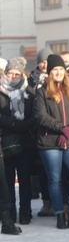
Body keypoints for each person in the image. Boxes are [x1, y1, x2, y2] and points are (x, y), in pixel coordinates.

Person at [32, 54, 69, 229]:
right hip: (50, 142)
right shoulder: (42, 92)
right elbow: (40, 116)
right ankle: (59, 214)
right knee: (55, 179)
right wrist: (61, 128)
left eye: (61, 69)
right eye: (55, 70)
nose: (58, 72)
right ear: (50, 73)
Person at [0, 57, 35, 226]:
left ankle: (25, 212)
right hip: (5, 143)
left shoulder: (30, 91)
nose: (13, 77)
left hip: (26, 142)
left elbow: (36, 113)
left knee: (25, 179)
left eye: (17, 74)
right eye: (10, 73)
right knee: (7, 181)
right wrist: (14, 124)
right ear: (5, 73)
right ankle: (10, 213)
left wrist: (25, 125)